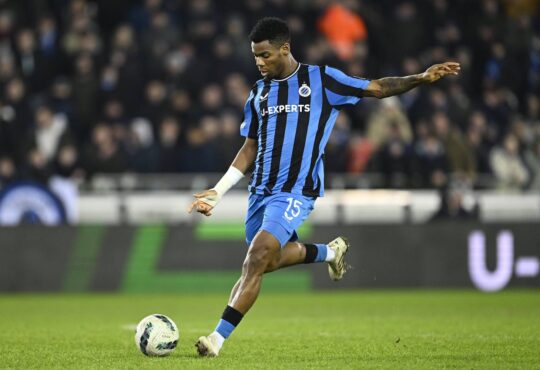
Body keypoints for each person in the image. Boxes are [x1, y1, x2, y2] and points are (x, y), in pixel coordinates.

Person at [188, 17, 460, 357]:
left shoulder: (321, 79)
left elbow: (375, 88)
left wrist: (419, 78)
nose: (260, 62)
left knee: (255, 259)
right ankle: (331, 252)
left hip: (296, 191)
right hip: (260, 192)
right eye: (255, 56)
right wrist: (218, 189)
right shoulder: (259, 93)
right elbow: (250, 147)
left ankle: (216, 339)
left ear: (285, 48)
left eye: (266, 55)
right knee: (266, 262)